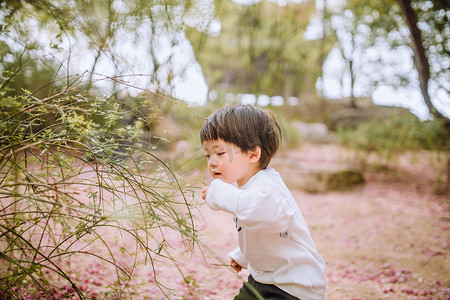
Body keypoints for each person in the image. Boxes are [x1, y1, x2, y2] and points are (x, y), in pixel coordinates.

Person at [200, 105, 326, 300]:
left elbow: (260, 213)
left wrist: (220, 193)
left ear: (252, 154)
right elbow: (257, 227)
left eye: (220, 153)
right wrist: (244, 254)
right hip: (264, 279)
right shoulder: (246, 190)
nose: (212, 162)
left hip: (294, 286)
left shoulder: (268, 188)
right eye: (208, 155)